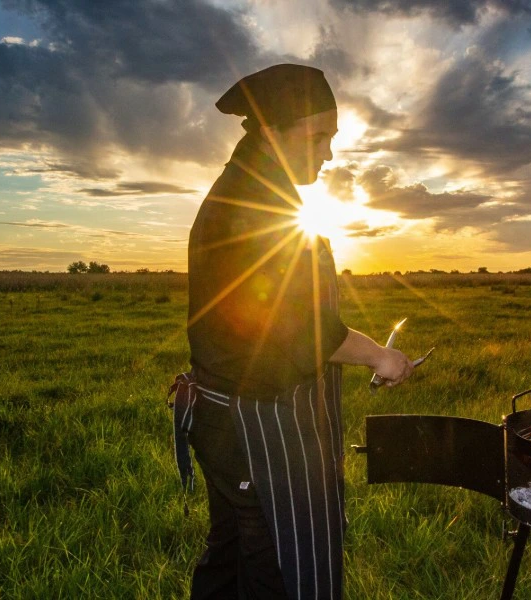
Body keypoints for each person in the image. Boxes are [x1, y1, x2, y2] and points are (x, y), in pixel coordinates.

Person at [172, 64, 414, 600]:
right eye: (317, 137)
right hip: (255, 425)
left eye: (332, 137)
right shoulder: (254, 205)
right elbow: (299, 328)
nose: (328, 153)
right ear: (271, 131)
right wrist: (380, 356)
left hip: (228, 419)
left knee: (231, 560)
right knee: (278, 574)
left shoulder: (255, 190)